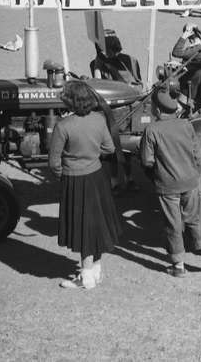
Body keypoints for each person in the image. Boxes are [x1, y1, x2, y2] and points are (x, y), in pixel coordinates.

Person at [48, 81, 122, 289]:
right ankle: (96, 269)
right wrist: (92, 155)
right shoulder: (99, 119)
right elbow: (109, 148)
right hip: (97, 176)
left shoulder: (63, 126)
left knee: (82, 228)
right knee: (95, 224)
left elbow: (54, 162)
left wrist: (65, 173)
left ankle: (86, 277)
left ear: (70, 102)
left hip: (74, 178)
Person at [139, 86, 201, 277]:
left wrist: (156, 175)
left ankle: (179, 266)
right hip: (190, 181)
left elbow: (147, 161)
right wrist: (194, 174)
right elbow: (197, 154)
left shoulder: (152, 130)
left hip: (167, 186)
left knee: (173, 224)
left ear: (157, 110)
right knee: (194, 219)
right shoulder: (186, 125)